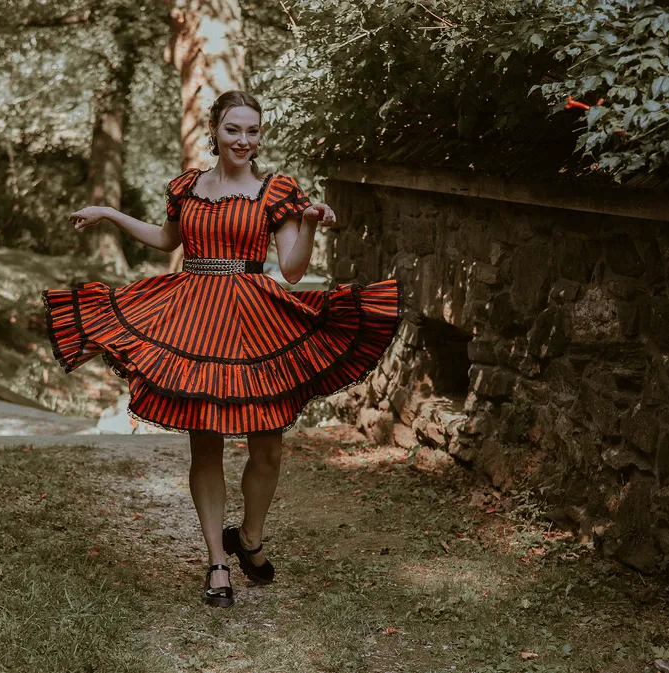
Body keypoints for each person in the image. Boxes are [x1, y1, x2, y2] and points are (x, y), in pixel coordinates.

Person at [42, 90, 402, 608]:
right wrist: (109, 213)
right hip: (193, 320)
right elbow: (168, 241)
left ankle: (249, 538)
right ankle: (217, 564)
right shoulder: (186, 186)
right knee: (204, 444)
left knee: (268, 447)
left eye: (253, 131)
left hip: (256, 321)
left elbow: (294, 270)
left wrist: (310, 223)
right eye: (234, 129)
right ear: (214, 129)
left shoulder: (276, 190)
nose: (244, 140)